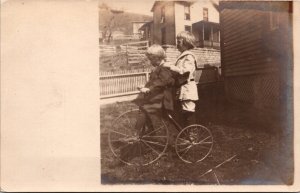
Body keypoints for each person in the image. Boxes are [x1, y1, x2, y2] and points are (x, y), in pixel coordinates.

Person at [133, 44, 175, 135]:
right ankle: (150, 131)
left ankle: (137, 133)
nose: (150, 61)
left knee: (144, 109)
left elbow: (162, 82)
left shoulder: (164, 68)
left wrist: (149, 89)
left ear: (157, 58)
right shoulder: (158, 68)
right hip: (157, 97)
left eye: (151, 59)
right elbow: (153, 82)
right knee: (143, 107)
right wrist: (144, 87)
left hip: (163, 99)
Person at [163, 31, 198, 128]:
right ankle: (185, 134)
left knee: (188, 111)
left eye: (179, 42)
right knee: (183, 111)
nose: (176, 44)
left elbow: (185, 71)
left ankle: (192, 137)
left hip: (188, 88)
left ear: (186, 43)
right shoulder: (182, 56)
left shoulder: (189, 57)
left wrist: (171, 67)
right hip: (181, 88)